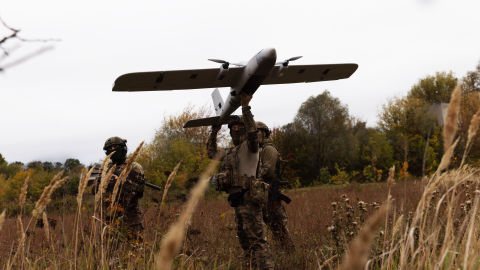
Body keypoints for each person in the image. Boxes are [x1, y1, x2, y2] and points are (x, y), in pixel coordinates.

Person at [207, 92, 274, 269]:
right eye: (233, 127)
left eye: (240, 126)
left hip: (249, 198)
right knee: (245, 241)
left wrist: (245, 108)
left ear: (245, 128)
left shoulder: (251, 147)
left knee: (257, 240)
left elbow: (253, 134)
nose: (236, 129)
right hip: (236, 202)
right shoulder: (229, 151)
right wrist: (214, 133)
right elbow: (212, 154)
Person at [91, 136, 146, 245]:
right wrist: (102, 182)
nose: (113, 150)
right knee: (110, 255)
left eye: (115, 147)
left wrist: (120, 182)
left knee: (137, 252)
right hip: (110, 219)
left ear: (123, 149)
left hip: (130, 218)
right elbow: (93, 191)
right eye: (110, 148)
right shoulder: (105, 168)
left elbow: (140, 190)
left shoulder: (134, 167)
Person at [256, 122, 296, 252]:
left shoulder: (269, 149)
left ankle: (290, 254)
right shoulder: (255, 150)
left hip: (270, 194)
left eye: (259, 131)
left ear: (265, 133)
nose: (256, 134)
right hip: (260, 196)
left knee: (278, 226)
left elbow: (267, 172)